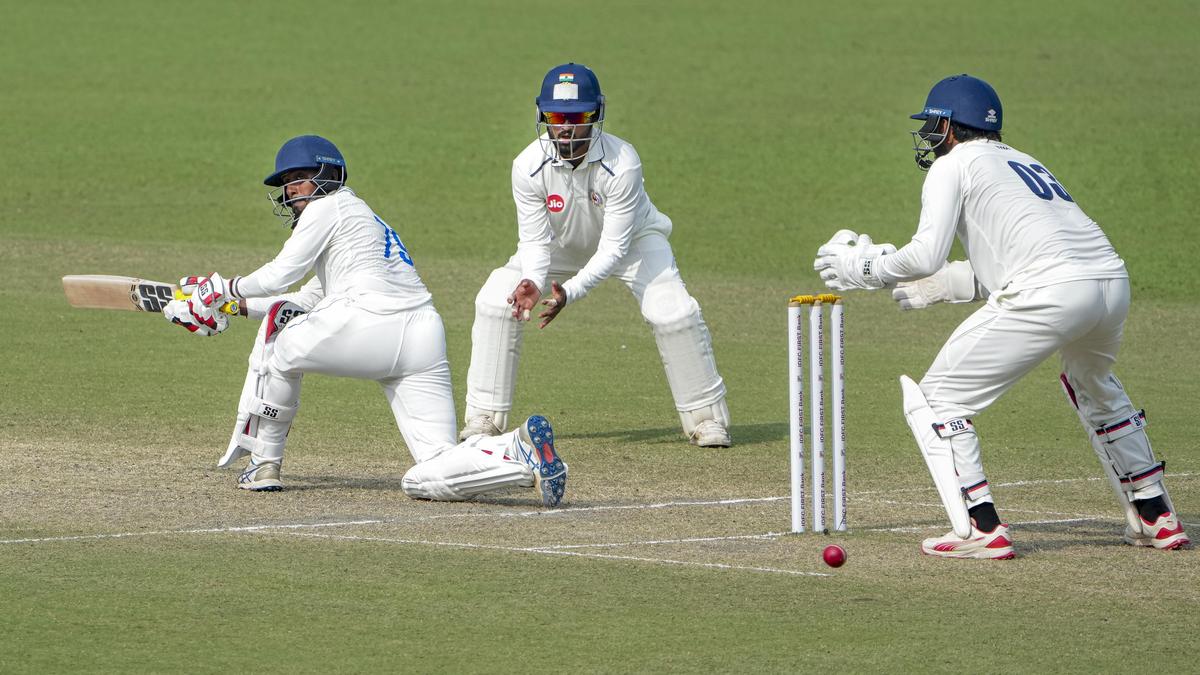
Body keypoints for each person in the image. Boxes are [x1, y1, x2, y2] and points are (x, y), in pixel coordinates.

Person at [812, 74, 1189, 558]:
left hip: (1051, 289)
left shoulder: (952, 165)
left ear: (949, 126)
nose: (928, 136)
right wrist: (945, 285)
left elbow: (925, 255)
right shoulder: (1023, 160)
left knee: (939, 400)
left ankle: (980, 528)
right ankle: (1157, 516)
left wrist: (863, 269)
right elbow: (1021, 255)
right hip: (1110, 284)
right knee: (1093, 383)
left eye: (932, 125)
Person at [161, 135, 567, 507]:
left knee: (281, 343)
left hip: (369, 322)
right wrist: (232, 306)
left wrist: (218, 289)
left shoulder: (328, 206)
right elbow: (308, 298)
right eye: (286, 182)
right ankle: (518, 452)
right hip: (422, 337)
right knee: (427, 473)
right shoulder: (362, 222)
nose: (291, 189)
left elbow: (279, 275)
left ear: (329, 174)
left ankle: (263, 463)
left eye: (300, 178)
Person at [459, 63, 732, 448]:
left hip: (634, 243)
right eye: (557, 118)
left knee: (673, 312)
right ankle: (484, 417)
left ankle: (706, 420)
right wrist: (532, 281)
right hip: (560, 246)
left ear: (596, 116)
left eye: (577, 117)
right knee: (494, 299)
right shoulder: (527, 166)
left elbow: (614, 248)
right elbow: (534, 242)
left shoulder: (622, 163)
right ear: (543, 116)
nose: (566, 129)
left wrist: (570, 292)